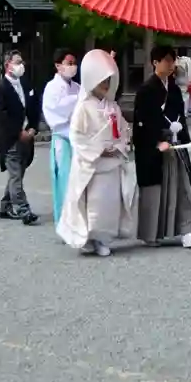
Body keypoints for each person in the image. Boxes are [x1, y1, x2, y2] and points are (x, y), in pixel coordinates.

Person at [57, 49, 137, 257]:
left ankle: (103, 238)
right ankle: (88, 238)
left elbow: (124, 131)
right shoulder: (83, 107)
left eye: (109, 80)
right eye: (102, 81)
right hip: (93, 164)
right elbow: (77, 136)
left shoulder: (113, 107)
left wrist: (118, 146)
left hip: (111, 162)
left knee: (108, 204)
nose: (106, 85)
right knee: (93, 203)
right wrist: (99, 150)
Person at [133, 45, 191, 249]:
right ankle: (151, 233)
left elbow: (180, 118)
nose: (171, 64)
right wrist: (156, 142)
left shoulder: (174, 89)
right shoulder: (145, 90)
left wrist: (183, 138)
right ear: (155, 63)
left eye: (173, 60)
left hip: (175, 145)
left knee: (183, 187)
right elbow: (141, 122)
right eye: (167, 60)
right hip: (156, 147)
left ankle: (189, 230)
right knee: (154, 192)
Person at [0, 49, 40, 225]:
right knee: (16, 175)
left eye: (22, 62)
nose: (22, 65)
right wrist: (18, 132)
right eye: (18, 62)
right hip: (11, 138)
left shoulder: (26, 84)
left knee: (17, 175)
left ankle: (5, 206)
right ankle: (23, 209)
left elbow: (34, 107)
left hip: (27, 136)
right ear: (8, 65)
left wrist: (33, 128)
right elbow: (1, 114)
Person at [41, 49, 81, 225]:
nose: (73, 67)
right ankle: (65, 220)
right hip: (63, 138)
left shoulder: (77, 87)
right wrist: (75, 100)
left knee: (78, 181)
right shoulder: (52, 87)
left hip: (78, 138)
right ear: (58, 66)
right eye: (69, 63)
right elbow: (57, 112)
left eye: (74, 63)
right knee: (64, 180)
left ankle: (78, 219)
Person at [174, 47, 191, 115]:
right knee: (185, 96)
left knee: (178, 95)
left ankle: (178, 111)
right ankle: (184, 113)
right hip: (185, 79)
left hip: (177, 79)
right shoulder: (188, 60)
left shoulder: (176, 59)